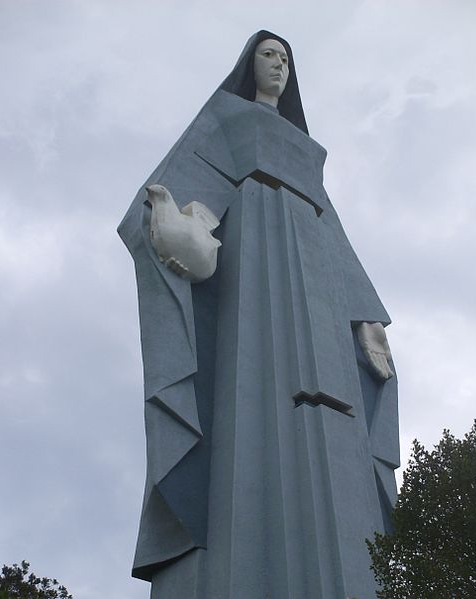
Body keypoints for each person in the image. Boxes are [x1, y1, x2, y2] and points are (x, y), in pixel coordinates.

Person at [119, 31, 399, 599]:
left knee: (338, 423)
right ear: (249, 64)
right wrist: (174, 225)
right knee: (251, 406)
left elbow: (333, 234)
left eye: (286, 59)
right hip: (254, 273)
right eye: (268, 55)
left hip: (319, 289)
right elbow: (172, 199)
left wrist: (367, 317)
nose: (279, 65)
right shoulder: (228, 118)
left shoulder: (304, 150)